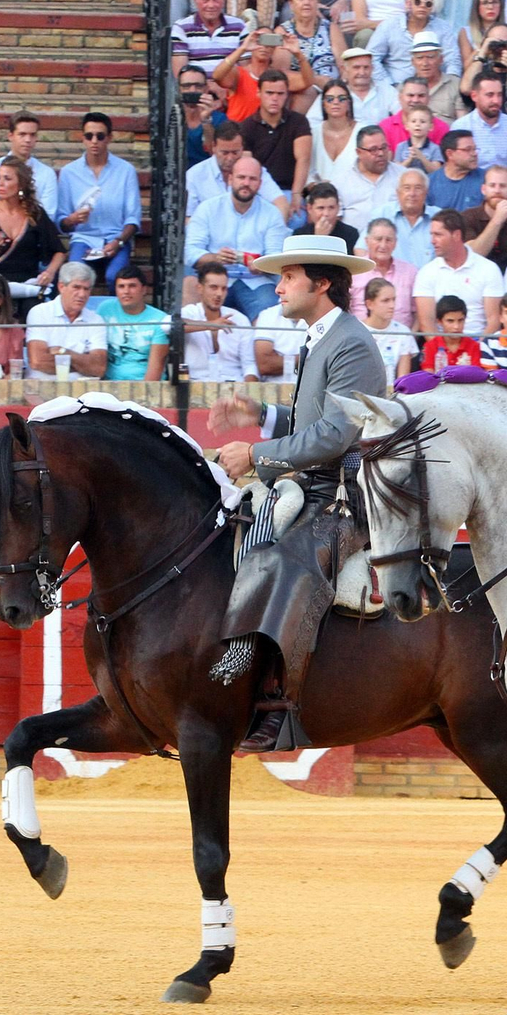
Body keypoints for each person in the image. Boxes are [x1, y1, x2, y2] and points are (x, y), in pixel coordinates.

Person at [206, 233, 386, 752]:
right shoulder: (321, 337)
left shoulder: (350, 342)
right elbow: (314, 424)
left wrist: (257, 454)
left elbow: (336, 436)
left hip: (348, 495)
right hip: (317, 487)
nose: (278, 287)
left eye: (288, 277)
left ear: (322, 282)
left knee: (289, 564)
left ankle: (279, 704)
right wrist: (260, 416)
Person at [185, 156, 292, 320]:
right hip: (215, 276)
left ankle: (261, 343)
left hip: (255, 280)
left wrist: (258, 264)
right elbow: (190, 252)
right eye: (241, 177)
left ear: (260, 184)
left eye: (252, 179)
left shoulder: (272, 214)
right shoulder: (207, 208)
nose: (246, 183)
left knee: (268, 313)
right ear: (230, 179)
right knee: (191, 288)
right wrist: (215, 258)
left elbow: (275, 257)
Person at [0, 157, 69, 315]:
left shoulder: (34, 213)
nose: (1, 183)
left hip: (28, 282)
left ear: (21, 183)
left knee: (33, 311)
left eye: (7, 178)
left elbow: (60, 251)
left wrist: (49, 272)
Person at [56, 113, 143, 282]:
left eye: (100, 136)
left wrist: (118, 242)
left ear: (109, 138)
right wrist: (72, 219)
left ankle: (112, 310)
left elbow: (133, 218)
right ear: (83, 138)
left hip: (115, 238)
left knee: (115, 278)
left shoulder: (125, 171)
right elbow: (61, 221)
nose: (94, 141)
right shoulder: (69, 172)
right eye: (89, 136)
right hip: (83, 239)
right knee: (75, 277)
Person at [413, 208, 505, 334]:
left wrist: (475, 349)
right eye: (432, 234)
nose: (432, 241)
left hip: (480, 345)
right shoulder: (426, 273)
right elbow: (427, 323)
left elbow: (494, 321)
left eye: (438, 235)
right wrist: (442, 350)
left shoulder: (488, 269)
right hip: (441, 348)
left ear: (456, 235)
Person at [241, 70, 312, 219]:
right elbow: (249, 166)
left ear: (287, 95)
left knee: (298, 219)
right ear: (258, 93)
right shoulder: (246, 127)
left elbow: (303, 159)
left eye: (280, 94)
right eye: (269, 93)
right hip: (260, 192)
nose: (275, 98)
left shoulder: (298, 122)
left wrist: (296, 194)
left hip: (289, 189)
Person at [188, 123, 290, 219]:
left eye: (235, 152)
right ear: (214, 147)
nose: (230, 158)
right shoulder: (194, 175)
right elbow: (188, 218)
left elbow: (281, 203)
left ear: (242, 148)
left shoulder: (254, 170)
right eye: (224, 153)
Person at [24, 261, 105, 380]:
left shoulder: (96, 320)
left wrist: (64, 353)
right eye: (76, 287)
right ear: (61, 287)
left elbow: (99, 368)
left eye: (86, 289)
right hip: (41, 386)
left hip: (81, 390)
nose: (82, 294)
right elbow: (38, 362)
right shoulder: (40, 312)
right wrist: (82, 363)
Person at [370, 0, 466, 85]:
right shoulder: (388, 26)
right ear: (407, 3)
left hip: (434, 89)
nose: (422, 6)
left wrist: (449, 85)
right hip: (395, 88)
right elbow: (372, 58)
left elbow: (452, 60)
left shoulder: (443, 28)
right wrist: (387, 85)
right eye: (417, 1)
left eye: (428, 3)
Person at [182, 260, 258, 382]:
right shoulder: (190, 312)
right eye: (213, 287)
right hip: (195, 385)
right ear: (200, 288)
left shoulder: (239, 319)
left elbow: (249, 366)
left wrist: (248, 392)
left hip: (234, 385)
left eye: (224, 289)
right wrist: (210, 325)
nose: (219, 294)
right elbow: (168, 326)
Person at [0, 112, 60, 218]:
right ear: (10, 136)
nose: (28, 140)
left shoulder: (46, 173)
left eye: (32, 135)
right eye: (22, 134)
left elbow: (49, 215)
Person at [215, 30, 312, 123]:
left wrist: (298, 54)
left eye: (269, 42)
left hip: (266, 132)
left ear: (274, 48)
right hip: (237, 131)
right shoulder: (239, 73)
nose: (264, 47)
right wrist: (242, 49)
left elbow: (307, 82)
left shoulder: (278, 77)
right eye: (260, 40)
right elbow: (217, 76)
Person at [98, 266, 172, 381]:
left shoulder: (160, 319)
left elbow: (155, 369)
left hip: (143, 386)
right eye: (121, 286)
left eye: (132, 286)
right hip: (108, 385)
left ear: (144, 290)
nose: (126, 291)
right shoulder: (105, 309)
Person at [277, 0, 343, 111]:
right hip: (302, 89)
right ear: (291, 4)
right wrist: (316, 80)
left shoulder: (331, 29)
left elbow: (343, 65)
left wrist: (339, 86)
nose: (307, 2)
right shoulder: (283, 32)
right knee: (305, 94)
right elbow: (281, 74)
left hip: (333, 88)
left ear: (317, 2)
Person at [462, 165, 507, 269]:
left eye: (502, 186)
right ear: (483, 189)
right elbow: (473, 255)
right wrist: (497, 220)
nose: (497, 190)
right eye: (492, 185)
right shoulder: (468, 216)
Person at [350, 218, 420, 324]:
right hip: (361, 337)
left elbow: (419, 314)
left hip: (402, 337)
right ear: (367, 241)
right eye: (378, 239)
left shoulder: (410, 272)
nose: (383, 245)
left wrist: (410, 337)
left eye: (388, 240)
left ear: (395, 243)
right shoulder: (354, 270)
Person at [451, 75, 507, 176]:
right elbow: (458, 169)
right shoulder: (460, 127)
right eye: (490, 95)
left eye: (499, 95)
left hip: (506, 187)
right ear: (474, 96)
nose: (496, 101)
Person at [339, 126, 406, 233]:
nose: (380, 153)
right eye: (373, 150)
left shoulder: (403, 176)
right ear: (359, 152)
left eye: (384, 147)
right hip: (353, 245)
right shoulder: (341, 181)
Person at [171, 0, 249, 76]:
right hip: (197, 87)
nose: (211, 5)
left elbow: (246, 69)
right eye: (206, 0)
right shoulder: (181, 28)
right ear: (196, 0)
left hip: (230, 88)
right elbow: (181, 74)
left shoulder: (239, 26)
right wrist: (210, 87)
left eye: (216, 0)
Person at [359, 275, 418, 385]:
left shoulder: (403, 332)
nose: (392, 305)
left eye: (393, 300)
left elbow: (403, 378)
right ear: (369, 304)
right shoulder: (356, 331)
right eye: (385, 301)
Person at [373, 170, 438, 268]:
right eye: (407, 188)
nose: (412, 193)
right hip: (391, 280)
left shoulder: (439, 218)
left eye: (418, 188)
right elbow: (362, 249)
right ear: (398, 192)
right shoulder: (382, 214)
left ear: (426, 192)